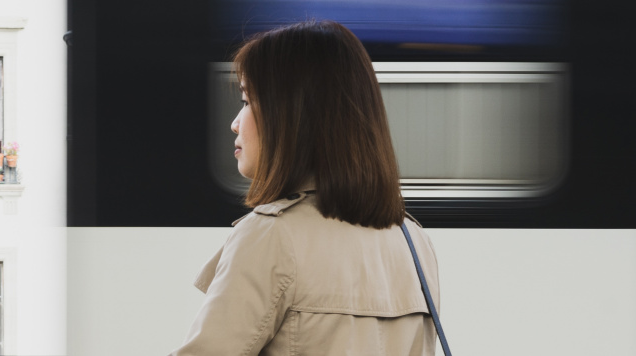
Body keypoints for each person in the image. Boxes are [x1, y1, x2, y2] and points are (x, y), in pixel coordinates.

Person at [171, 20, 443, 356]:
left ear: (291, 112)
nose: (235, 123)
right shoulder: (412, 240)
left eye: (247, 100)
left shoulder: (272, 237)